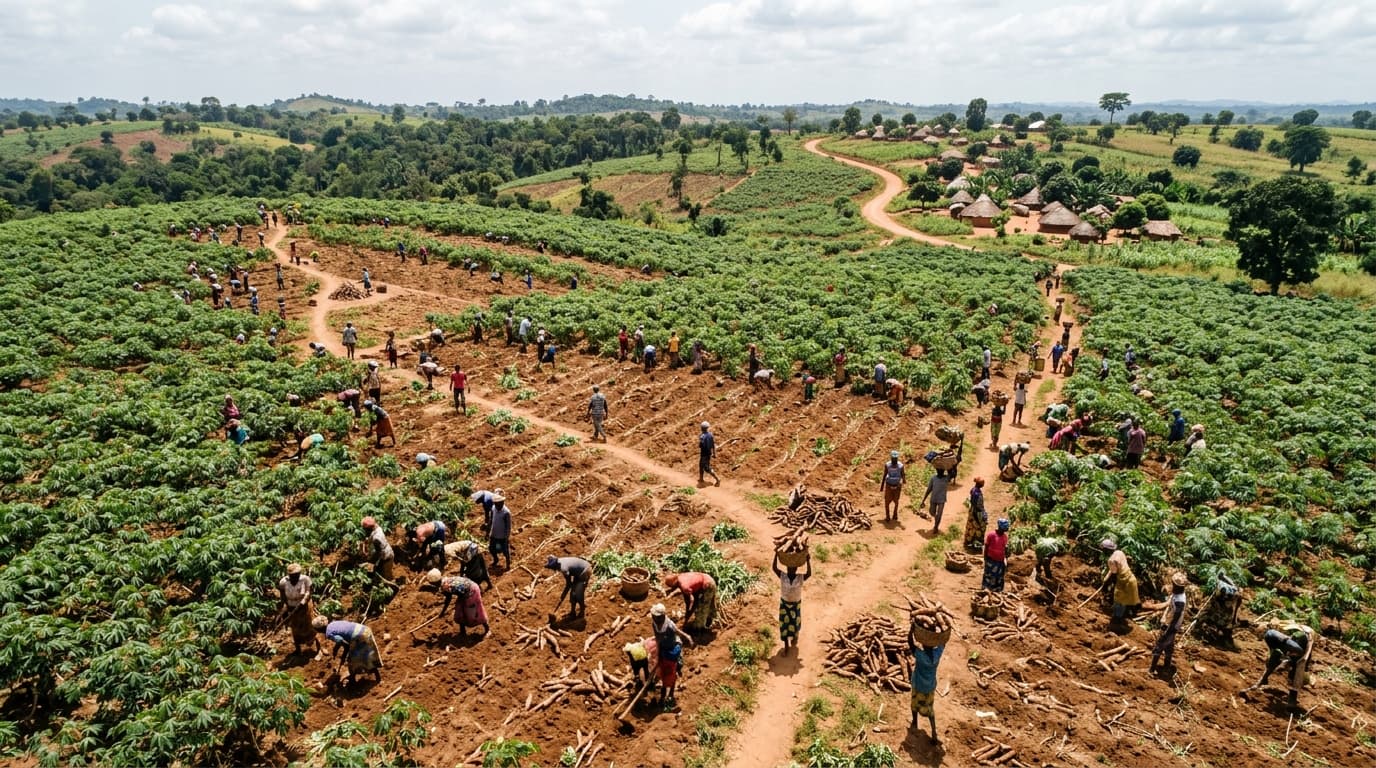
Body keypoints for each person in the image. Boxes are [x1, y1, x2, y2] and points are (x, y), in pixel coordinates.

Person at [1247, 623, 1314, 710]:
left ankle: (1292, 699)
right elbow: (1274, 651)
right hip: (1293, 640)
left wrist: (1287, 662)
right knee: (1275, 656)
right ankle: (1263, 680)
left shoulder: (1297, 643)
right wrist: (1273, 662)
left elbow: (1301, 653)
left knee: (1298, 668)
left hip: (1302, 646)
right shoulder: (1277, 636)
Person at [315, 615, 383, 685]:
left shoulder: (329, 633)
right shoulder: (333, 623)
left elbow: (346, 645)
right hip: (365, 630)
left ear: (319, 630)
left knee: (351, 661)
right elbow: (341, 637)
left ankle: (353, 683)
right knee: (368, 655)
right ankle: (378, 678)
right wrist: (335, 649)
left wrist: (344, 656)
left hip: (358, 637)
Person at [650, 602, 693, 708]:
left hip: (671, 649)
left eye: (656, 616)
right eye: (653, 615)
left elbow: (677, 631)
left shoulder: (669, 625)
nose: (654, 617)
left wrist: (688, 637)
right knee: (660, 668)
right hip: (663, 648)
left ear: (662, 616)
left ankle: (669, 694)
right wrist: (658, 654)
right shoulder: (654, 623)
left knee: (670, 674)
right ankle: (663, 691)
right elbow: (657, 638)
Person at [907, 627, 945, 744]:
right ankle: (933, 731)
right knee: (930, 709)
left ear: (923, 643)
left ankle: (915, 722)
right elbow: (943, 643)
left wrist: (912, 629)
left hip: (918, 684)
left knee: (914, 704)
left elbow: (910, 642)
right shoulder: (937, 654)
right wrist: (942, 632)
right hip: (930, 687)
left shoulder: (920, 654)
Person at [428, 570, 490, 636]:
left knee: (474, 612)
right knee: (459, 612)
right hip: (464, 593)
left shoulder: (445, 586)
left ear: (434, 583)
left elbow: (448, 599)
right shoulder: (444, 580)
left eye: (432, 583)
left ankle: (487, 629)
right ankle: (462, 632)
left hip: (471, 591)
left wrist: (443, 612)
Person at [1150, 572, 1189, 675]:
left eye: (1173, 584)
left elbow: (1176, 617)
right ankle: (1166, 666)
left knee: (1159, 646)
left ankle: (1151, 669)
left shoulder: (1180, 601)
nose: (1172, 585)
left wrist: (1167, 630)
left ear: (1177, 586)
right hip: (1170, 623)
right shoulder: (1177, 594)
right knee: (1169, 647)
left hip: (1171, 626)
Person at [772, 552, 812, 651]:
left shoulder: (800, 577)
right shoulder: (783, 575)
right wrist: (776, 555)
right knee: (784, 624)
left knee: (794, 622)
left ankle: (794, 636)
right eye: (790, 568)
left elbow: (809, 574)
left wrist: (808, 560)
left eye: (793, 568)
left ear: (796, 569)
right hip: (784, 604)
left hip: (795, 604)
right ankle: (786, 644)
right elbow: (774, 568)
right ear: (787, 568)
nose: (791, 570)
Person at [276, 563, 318, 655]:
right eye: (293, 575)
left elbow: (308, 592)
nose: (295, 577)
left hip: (304, 606)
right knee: (295, 629)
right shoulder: (283, 582)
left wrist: (303, 602)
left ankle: (317, 647)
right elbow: (283, 598)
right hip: (292, 607)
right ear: (289, 575)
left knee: (309, 626)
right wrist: (284, 610)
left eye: (297, 575)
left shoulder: (305, 579)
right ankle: (298, 649)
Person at [1100, 538, 1140, 627]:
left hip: (1124, 582)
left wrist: (1106, 586)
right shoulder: (1119, 552)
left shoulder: (1111, 561)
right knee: (1125, 600)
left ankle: (1116, 622)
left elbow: (1113, 576)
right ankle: (1123, 617)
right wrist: (1106, 579)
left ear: (1106, 550)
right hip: (1131, 578)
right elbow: (1114, 570)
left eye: (1103, 550)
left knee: (1119, 601)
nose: (1102, 552)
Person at [360, 516, 395, 581]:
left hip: (386, 558)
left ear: (368, 529)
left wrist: (370, 563)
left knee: (386, 577)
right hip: (383, 556)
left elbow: (378, 553)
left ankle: (392, 587)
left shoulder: (376, 539)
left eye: (364, 529)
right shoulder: (377, 528)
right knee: (379, 573)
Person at [982, 519, 1010, 592]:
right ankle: (986, 589)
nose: (1005, 530)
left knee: (998, 576)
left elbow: (1005, 549)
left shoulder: (1005, 537)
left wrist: (1006, 558)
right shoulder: (991, 535)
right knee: (989, 575)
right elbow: (986, 546)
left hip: (1000, 561)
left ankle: (996, 591)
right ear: (1000, 527)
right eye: (1004, 528)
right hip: (991, 559)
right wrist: (985, 557)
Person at [487, 492, 512, 571]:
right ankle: (496, 560)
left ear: (502, 502)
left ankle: (508, 564)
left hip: (502, 536)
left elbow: (508, 527)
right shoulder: (493, 508)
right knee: (491, 549)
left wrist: (506, 538)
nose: (497, 505)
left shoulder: (506, 512)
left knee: (505, 551)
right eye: (496, 503)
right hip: (494, 534)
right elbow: (491, 520)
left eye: (498, 504)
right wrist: (488, 531)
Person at [880, 450, 905, 523]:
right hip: (889, 485)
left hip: (897, 485)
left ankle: (895, 514)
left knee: (896, 501)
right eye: (893, 458)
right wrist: (882, 486)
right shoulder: (887, 465)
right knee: (887, 501)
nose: (894, 460)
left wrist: (904, 480)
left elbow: (903, 474)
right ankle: (887, 516)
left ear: (897, 458)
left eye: (895, 458)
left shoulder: (901, 466)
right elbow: (884, 474)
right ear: (891, 458)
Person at [963, 477, 987, 551]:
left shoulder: (974, 490)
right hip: (977, 512)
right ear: (980, 484)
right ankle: (976, 545)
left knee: (970, 528)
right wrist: (980, 517)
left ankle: (969, 542)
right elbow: (978, 506)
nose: (983, 485)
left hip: (972, 511)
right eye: (982, 483)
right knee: (979, 528)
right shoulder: (977, 493)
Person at [698, 421, 720, 486]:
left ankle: (717, 479)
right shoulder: (711, 435)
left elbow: (700, 445)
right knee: (701, 465)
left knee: (707, 468)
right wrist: (714, 453)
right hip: (708, 453)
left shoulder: (702, 436)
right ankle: (701, 479)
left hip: (704, 454)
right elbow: (713, 445)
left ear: (701, 428)